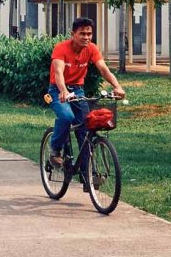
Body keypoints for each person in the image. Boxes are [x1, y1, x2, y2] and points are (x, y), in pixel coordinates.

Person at [47, 16, 125, 172]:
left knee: (87, 127)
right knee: (67, 117)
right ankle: (55, 150)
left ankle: (86, 174)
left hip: (78, 90)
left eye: (89, 34)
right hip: (57, 90)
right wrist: (63, 90)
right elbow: (58, 72)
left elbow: (103, 69)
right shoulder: (61, 48)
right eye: (82, 33)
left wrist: (117, 86)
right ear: (73, 34)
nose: (86, 37)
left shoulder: (92, 49)